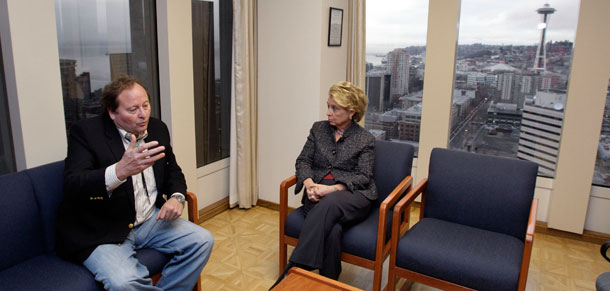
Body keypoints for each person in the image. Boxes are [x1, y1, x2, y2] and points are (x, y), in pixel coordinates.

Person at [56, 76, 214, 290]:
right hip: (104, 229)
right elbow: (73, 184)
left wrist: (177, 198)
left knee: (202, 240)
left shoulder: (157, 128)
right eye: (133, 109)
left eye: (146, 106)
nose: (143, 115)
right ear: (112, 113)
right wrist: (119, 171)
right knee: (125, 282)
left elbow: (172, 170)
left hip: (151, 220)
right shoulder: (86, 133)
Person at [271, 81, 376, 288]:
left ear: (352, 111)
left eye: (334, 108)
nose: (328, 112)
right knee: (333, 230)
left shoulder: (365, 139)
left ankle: (296, 268)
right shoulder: (318, 129)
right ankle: (327, 283)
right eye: (328, 106)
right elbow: (303, 161)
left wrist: (332, 188)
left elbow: (364, 176)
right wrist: (310, 184)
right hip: (316, 194)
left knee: (328, 204)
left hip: (353, 196)